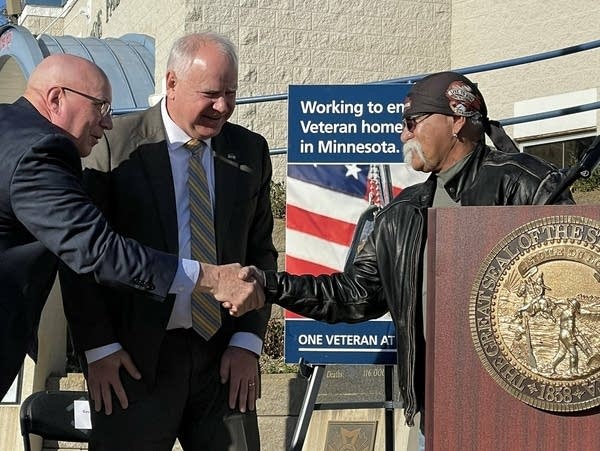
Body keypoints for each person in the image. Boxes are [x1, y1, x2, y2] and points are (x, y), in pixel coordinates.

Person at [241, 71, 575, 432]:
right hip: (438, 409)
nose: (403, 133)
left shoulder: (528, 184)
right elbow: (353, 296)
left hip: (524, 406)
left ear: (456, 120)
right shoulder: (402, 215)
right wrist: (268, 284)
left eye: (412, 122)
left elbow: (574, 274)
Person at [60, 32, 277, 451]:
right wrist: (98, 348)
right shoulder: (113, 147)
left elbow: (260, 252)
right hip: (130, 365)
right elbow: (81, 258)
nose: (224, 107)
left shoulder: (250, 151)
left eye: (231, 93)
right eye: (211, 93)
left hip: (223, 365)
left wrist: (248, 341)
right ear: (171, 83)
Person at [0, 54, 261, 400]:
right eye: (101, 107)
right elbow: (98, 250)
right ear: (55, 98)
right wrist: (211, 279)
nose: (107, 123)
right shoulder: (41, 151)